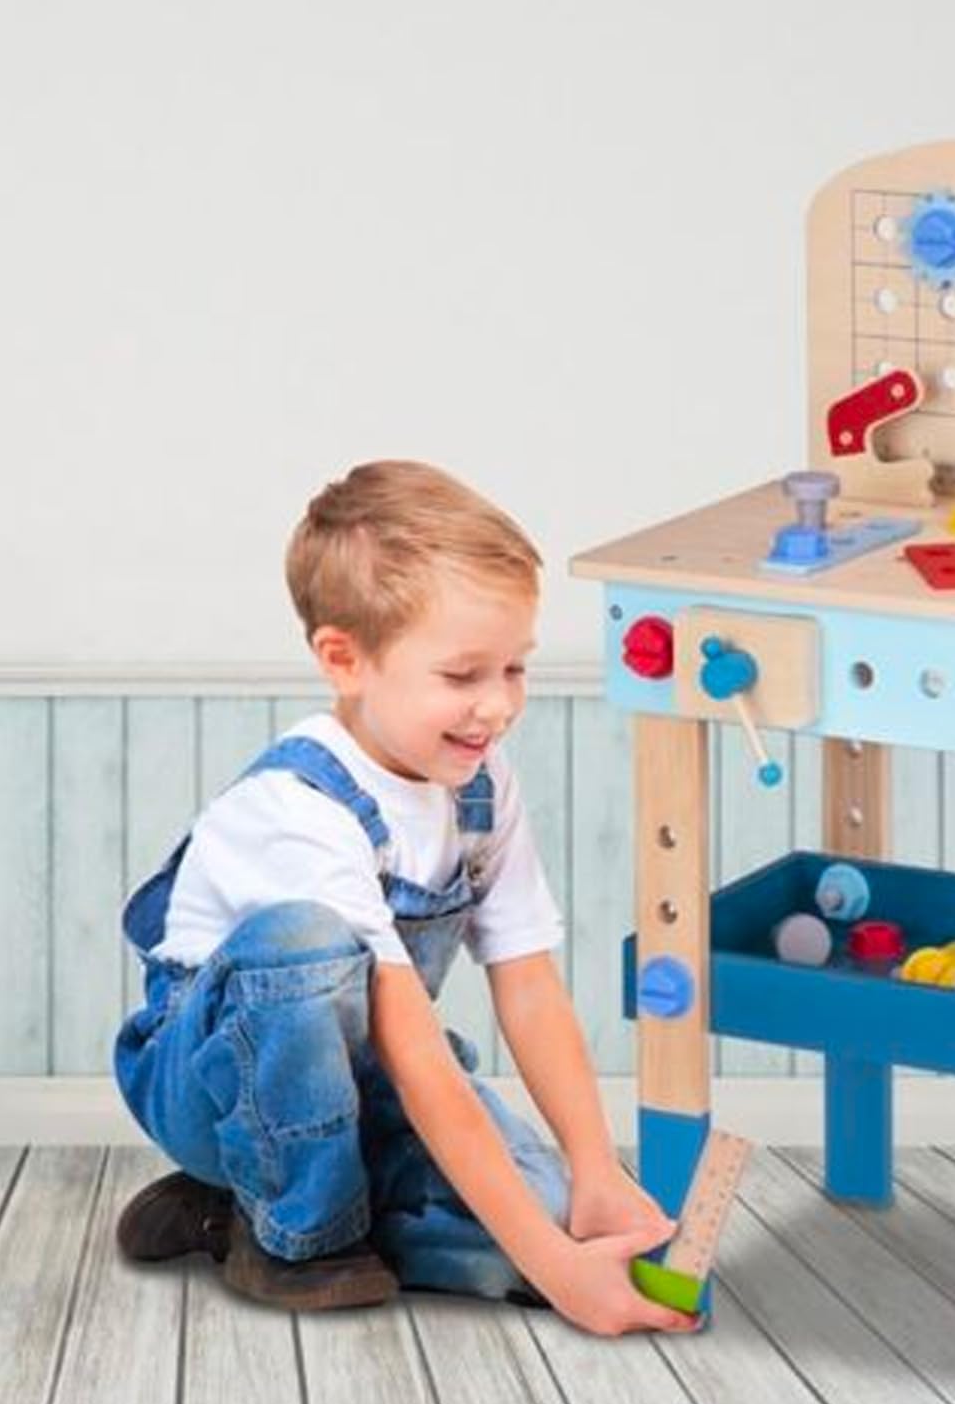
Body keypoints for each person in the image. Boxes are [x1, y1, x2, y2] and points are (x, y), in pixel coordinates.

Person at [113, 460, 695, 1335]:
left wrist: (594, 1173)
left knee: (547, 1223)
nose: (497, 706)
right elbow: (414, 1047)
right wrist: (561, 1272)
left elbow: (529, 985)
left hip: (366, 1083)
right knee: (302, 941)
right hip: (209, 1090)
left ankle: (273, 1204)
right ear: (344, 660)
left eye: (515, 668)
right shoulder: (298, 811)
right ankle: (289, 1234)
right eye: (462, 676)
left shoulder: (478, 785)